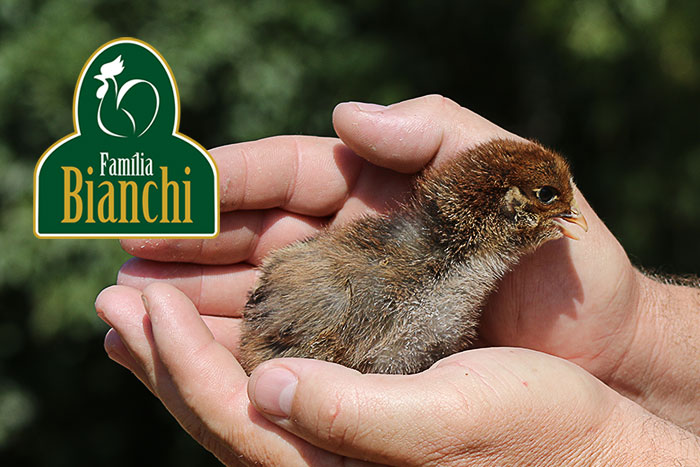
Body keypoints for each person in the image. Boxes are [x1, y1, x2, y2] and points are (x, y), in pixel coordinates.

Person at [95, 95, 700, 465]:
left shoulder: (440, 269)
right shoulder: (425, 266)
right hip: (309, 311)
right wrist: (636, 340)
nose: (572, 217)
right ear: (504, 203)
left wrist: (628, 351)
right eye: (547, 199)